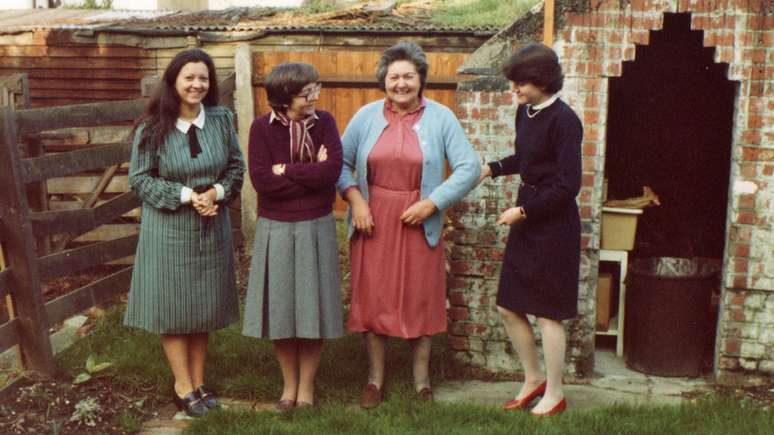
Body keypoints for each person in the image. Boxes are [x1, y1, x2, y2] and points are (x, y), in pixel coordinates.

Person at [337, 41, 480, 408]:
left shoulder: (441, 117)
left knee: (421, 298)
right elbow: (339, 163)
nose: (400, 83)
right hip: (373, 222)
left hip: (420, 221)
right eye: (393, 76)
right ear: (384, 80)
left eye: (408, 76)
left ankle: (422, 382)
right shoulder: (366, 116)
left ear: (421, 80)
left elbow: (469, 167)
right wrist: (357, 201)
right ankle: (374, 381)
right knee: (373, 298)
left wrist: (432, 203)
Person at [124, 48, 245, 417]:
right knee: (175, 308)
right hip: (169, 229)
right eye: (189, 77)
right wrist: (187, 195)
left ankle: (199, 381)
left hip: (211, 226)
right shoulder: (152, 126)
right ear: (174, 81)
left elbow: (236, 168)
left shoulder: (222, 120)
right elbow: (140, 179)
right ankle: (182, 385)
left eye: (203, 78)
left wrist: (215, 193)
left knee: (203, 306)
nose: (197, 84)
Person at [478, 43, 583, 417]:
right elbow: (527, 160)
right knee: (508, 306)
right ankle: (533, 378)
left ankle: (555, 393)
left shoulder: (565, 120)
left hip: (554, 225)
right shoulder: (526, 112)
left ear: (540, 80)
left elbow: (568, 184)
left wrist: (523, 210)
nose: (514, 91)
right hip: (527, 219)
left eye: (519, 84)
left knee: (548, 313)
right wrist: (491, 167)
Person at [242, 62, 344, 412]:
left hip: (316, 224)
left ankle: (308, 389)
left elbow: (331, 172)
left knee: (312, 309)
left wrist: (286, 169)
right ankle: (289, 387)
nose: (315, 97)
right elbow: (261, 182)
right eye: (308, 92)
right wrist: (309, 173)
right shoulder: (261, 129)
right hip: (277, 227)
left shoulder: (325, 123)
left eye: (317, 89)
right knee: (283, 311)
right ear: (286, 98)